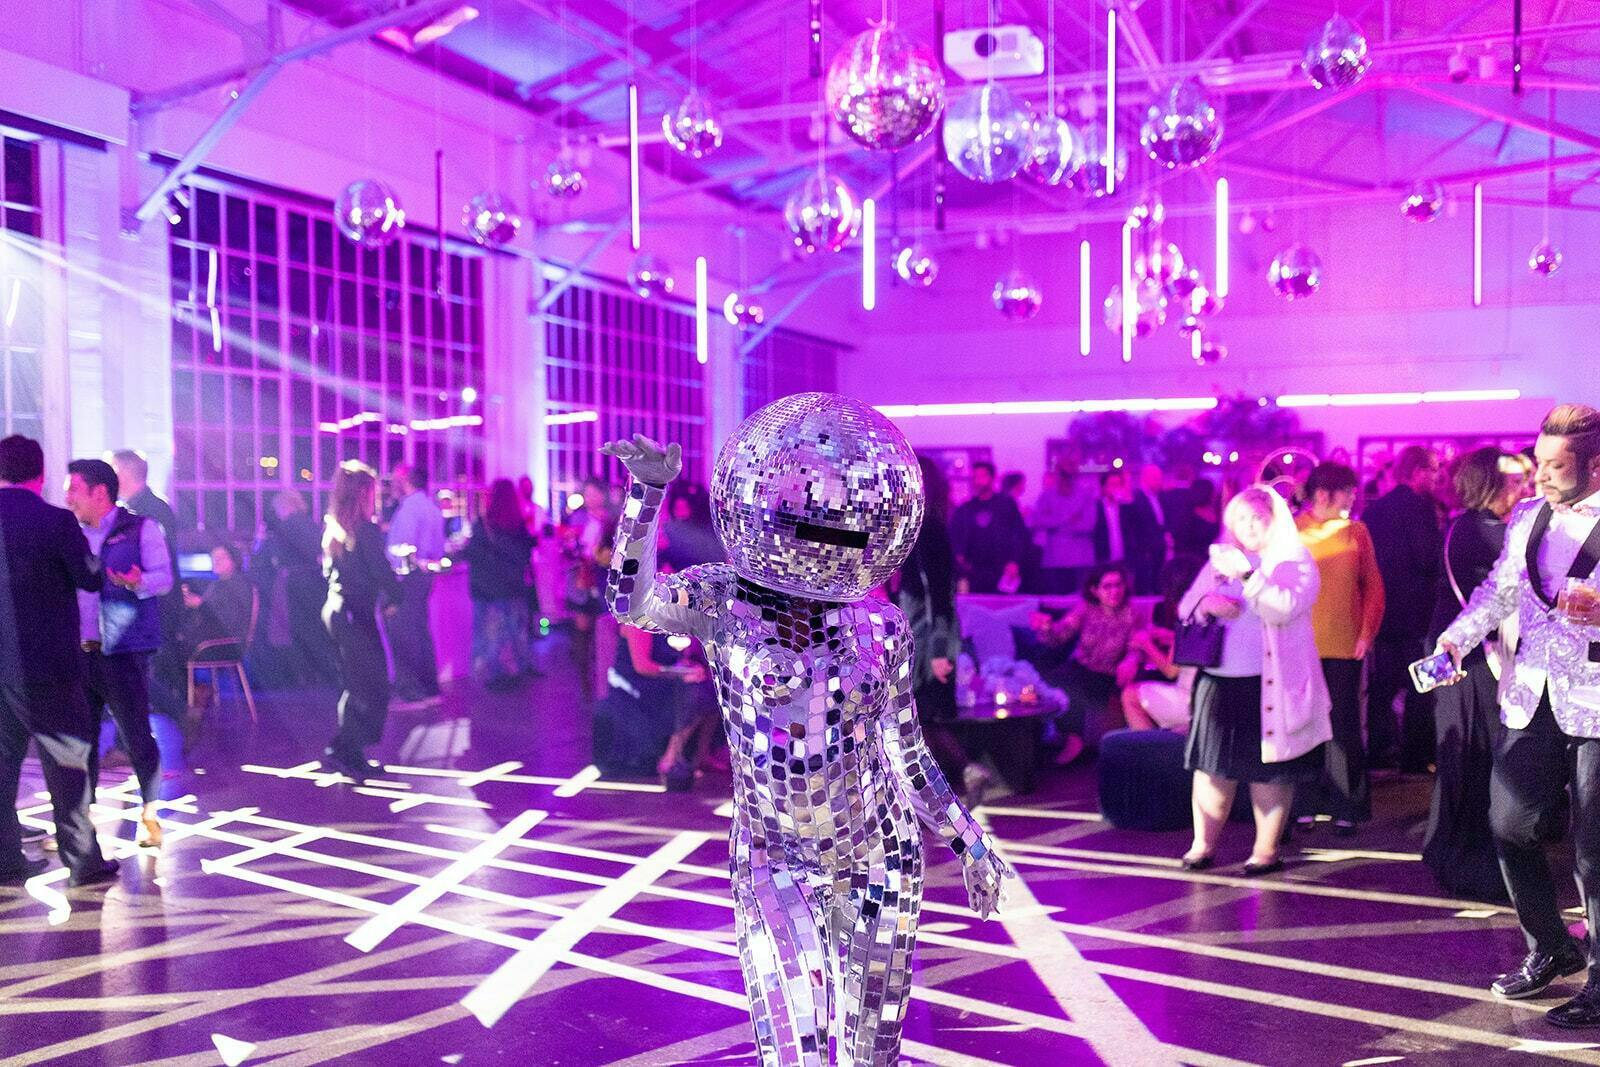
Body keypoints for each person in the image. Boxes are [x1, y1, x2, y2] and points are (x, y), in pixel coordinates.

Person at [601, 394, 1011, 1065]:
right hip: (773, 854)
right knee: (796, 1048)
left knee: (870, 1053)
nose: (822, 527)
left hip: (880, 856)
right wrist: (646, 495)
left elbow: (906, 754)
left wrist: (970, 842)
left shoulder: (879, 625)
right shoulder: (724, 598)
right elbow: (631, 600)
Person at [1437, 405, 1600, 1022]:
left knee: (1594, 851)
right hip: (1531, 695)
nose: (1541, 475)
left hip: (1597, 703)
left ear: (1595, 465)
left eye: (1556, 465)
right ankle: (1551, 946)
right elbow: (1501, 591)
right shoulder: (1528, 515)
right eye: (1539, 462)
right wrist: (1456, 639)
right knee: (1509, 823)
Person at [1178, 485, 1331, 875]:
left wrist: (1247, 575)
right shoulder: (1220, 559)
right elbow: (1185, 606)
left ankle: (1265, 851)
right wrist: (1207, 604)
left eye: (1256, 518)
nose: (1247, 527)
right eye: (1239, 519)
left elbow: (1284, 608)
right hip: (1219, 681)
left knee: (1270, 770)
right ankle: (1202, 845)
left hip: (1270, 684)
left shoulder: (1294, 559)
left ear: (1274, 519)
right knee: (1211, 767)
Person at [0, 436, 119, 887]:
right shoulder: (55, 521)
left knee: (2, 766)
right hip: (47, 664)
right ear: (40, 474)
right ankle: (82, 861)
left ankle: (5, 859)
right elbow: (88, 578)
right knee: (67, 764)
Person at [1423, 448, 1530, 902]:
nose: (1524, 488)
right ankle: (1468, 862)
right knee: (1473, 754)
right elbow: (1503, 597)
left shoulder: (1472, 526)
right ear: (1489, 483)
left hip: (1465, 653)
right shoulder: (1482, 530)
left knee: (1469, 755)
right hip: (1467, 659)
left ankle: (1450, 852)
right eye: (1514, 481)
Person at [64, 458, 174, 850]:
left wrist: (139, 582)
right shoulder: (69, 533)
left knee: (136, 735)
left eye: (74, 489)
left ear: (99, 493)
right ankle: (81, 823)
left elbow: (165, 579)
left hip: (124, 650)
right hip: (81, 650)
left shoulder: (141, 528)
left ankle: (150, 815)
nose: (68, 497)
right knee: (82, 740)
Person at [1295, 462, 1386, 835]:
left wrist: (1367, 631)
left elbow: (1373, 586)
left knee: (1343, 725)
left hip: (1345, 643)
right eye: (1347, 491)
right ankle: (1304, 802)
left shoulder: (1357, 531)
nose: (1352, 497)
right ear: (1323, 494)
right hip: (1299, 644)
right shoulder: (1293, 529)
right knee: (1302, 723)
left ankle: (1346, 805)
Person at [894, 455, 990, 807]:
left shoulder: (928, 532)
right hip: (920, 635)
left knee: (918, 717)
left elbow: (939, 597)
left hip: (925, 637)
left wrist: (938, 651)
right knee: (919, 719)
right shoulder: (925, 529)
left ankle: (956, 778)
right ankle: (959, 777)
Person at [1363, 444, 1444, 772]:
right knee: (1422, 686)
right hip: (1418, 613)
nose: (1438, 477)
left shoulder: (1374, 510)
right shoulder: (1422, 508)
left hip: (1383, 612)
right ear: (1417, 471)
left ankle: (1379, 751)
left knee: (1382, 687)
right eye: (1433, 470)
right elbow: (1428, 558)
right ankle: (1417, 756)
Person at [322, 461, 401, 783]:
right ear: (364, 493)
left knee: (358, 684)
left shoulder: (336, 528)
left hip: (338, 611)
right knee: (371, 686)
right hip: (354, 615)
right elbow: (380, 571)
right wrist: (397, 597)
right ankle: (348, 753)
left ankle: (343, 748)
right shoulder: (364, 530)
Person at [1032, 562, 1140, 761]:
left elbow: (1137, 645)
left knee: (1077, 685)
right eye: (1107, 586)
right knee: (1048, 680)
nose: (1114, 591)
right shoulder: (1085, 609)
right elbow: (1060, 635)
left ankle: (1076, 742)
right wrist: (1046, 628)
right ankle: (1067, 739)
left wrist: (1131, 660)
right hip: (1081, 668)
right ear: (1095, 590)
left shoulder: (1132, 613)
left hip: (1108, 674)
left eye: (1118, 585)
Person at [459, 479, 537, 689]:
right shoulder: (519, 525)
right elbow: (525, 555)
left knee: (487, 633)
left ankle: (490, 673)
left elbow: (472, 553)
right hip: (512, 587)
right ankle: (516, 668)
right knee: (513, 630)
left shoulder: (484, 524)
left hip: (486, 589)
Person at [253, 490, 336, 686]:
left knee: (296, 630)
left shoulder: (283, 529)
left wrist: (260, 541)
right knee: (315, 628)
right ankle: (320, 673)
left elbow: (266, 558)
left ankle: (300, 674)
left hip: (293, 585)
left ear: (283, 506)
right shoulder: (311, 525)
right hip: (315, 582)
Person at [1121, 556, 1207, 733]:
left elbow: (1170, 670)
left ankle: (1149, 748)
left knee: (1130, 695)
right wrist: (1172, 637)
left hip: (1191, 700)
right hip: (1206, 696)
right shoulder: (1206, 609)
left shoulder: (1188, 615)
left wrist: (1146, 644)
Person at [384, 462, 444, 709]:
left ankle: (410, 692)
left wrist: (391, 581)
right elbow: (438, 549)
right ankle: (429, 688)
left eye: (395, 481)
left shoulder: (408, 510)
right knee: (420, 631)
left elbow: (402, 549)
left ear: (405, 481)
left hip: (406, 578)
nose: (391, 486)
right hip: (424, 576)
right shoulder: (431, 508)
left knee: (403, 634)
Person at [949, 460, 1029, 594]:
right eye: (975, 477)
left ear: (992, 478)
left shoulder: (1006, 505)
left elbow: (1018, 534)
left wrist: (1014, 561)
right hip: (974, 569)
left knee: (1002, 603)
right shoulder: (967, 508)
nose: (978, 481)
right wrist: (959, 556)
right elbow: (956, 535)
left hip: (1002, 567)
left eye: (982, 476)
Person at [1094, 468, 1165, 594]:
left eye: (1119, 484)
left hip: (1127, 557)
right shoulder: (1096, 507)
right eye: (1112, 484)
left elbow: (1140, 527)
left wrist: (1126, 500)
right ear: (1104, 487)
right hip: (1104, 556)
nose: (1116, 488)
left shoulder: (1128, 507)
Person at [1032, 464, 1099, 594]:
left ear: (1076, 475)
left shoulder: (1086, 496)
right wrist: (1070, 518)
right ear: (1057, 474)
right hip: (1054, 559)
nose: (1066, 477)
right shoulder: (1046, 495)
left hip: (1081, 560)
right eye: (1063, 473)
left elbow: (1089, 525)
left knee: (1081, 601)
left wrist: (1054, 520)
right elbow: (1038, 520)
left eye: (1069, 474)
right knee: (1055, 601)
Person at [1170, 477, 1222, 560]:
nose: (1214, 495)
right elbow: (1182, 546)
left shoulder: (1216, 512)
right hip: (1194, 560)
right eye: (1212, 492)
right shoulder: (1187, 516)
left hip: (1213, 559)